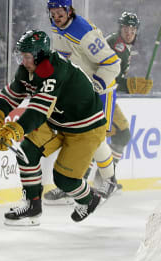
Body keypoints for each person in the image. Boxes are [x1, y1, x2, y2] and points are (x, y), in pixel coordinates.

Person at [0, 30, 105, 226]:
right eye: (21, 56)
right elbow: (10, 96)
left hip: (86, 128)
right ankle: (32, 207)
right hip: (57, 121)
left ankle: (89, 199)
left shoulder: (55, 71)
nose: (23, 61)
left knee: (64, 180)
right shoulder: (27, 69)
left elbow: (38, 111)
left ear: (40, 55)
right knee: (26, 153)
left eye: (26, 56)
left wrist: (13, 130)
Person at [43, 0, 121, 205]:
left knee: (94, 138)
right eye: (53, 12)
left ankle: (110, 180)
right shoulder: (56, 25)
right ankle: (73, 185)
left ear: (69, 11)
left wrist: (94, 88)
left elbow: (113, 64)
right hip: (78, 90)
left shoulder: (83, 32)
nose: (56, 17)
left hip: (100, 90)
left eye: (60, 12)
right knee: (75, 137)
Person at [106, 12, 153, 168]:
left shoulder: (121, 45)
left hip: (104, 96)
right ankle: (105, 178)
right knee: (121, 134)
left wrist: (129, 85)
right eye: (126, 29)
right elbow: (107, 77)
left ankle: (105, 178)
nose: (129, 33)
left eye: (133, 30)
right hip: (100, 97)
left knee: (110, 136)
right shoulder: (117, 45)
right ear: (121, 28)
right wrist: (131, 86)